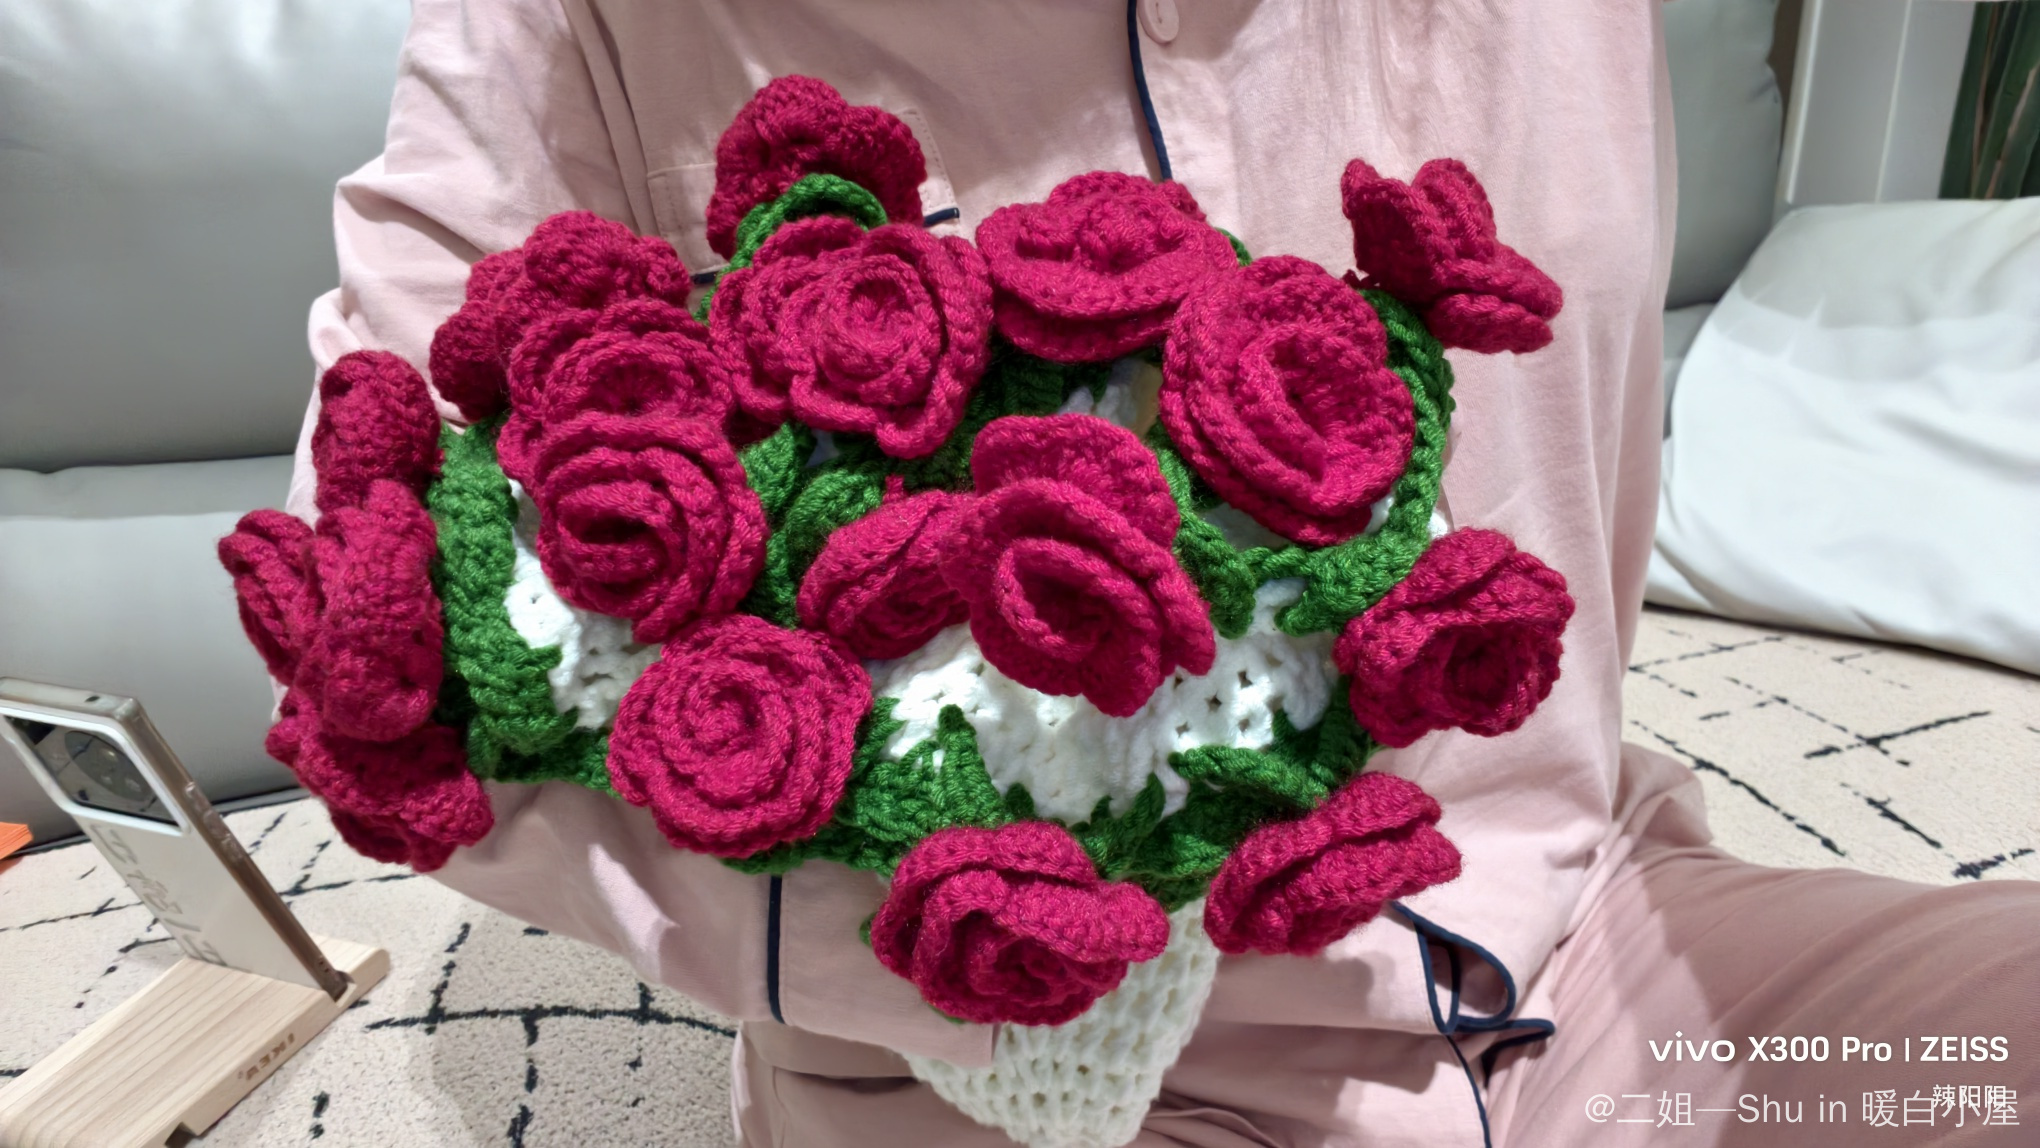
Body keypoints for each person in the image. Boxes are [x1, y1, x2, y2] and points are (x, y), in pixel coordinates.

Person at [287, 2, 2040, 1143]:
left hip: (1577, 943)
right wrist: (976, 944)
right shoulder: (581, 27)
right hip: (973, 1087)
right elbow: (368, 612)